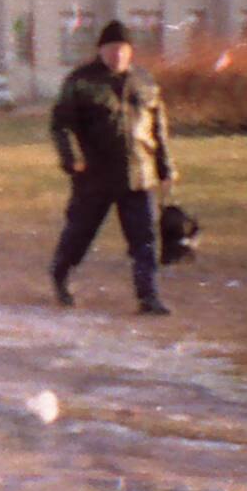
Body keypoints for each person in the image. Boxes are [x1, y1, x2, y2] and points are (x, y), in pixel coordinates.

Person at [49, 18, 177, 316]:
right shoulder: (80, 81)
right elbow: (61, 125)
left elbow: (158, 129)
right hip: (94, 176)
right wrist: (71, 159)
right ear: (101, 50)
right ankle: (60, 275)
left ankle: (148, 296)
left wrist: (165, 167)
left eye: (122, 48)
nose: (117, 54)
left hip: (139, 174)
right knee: (80, 233)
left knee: (144, 239)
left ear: (130, 51)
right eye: (111, 48)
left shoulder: (144, 81)